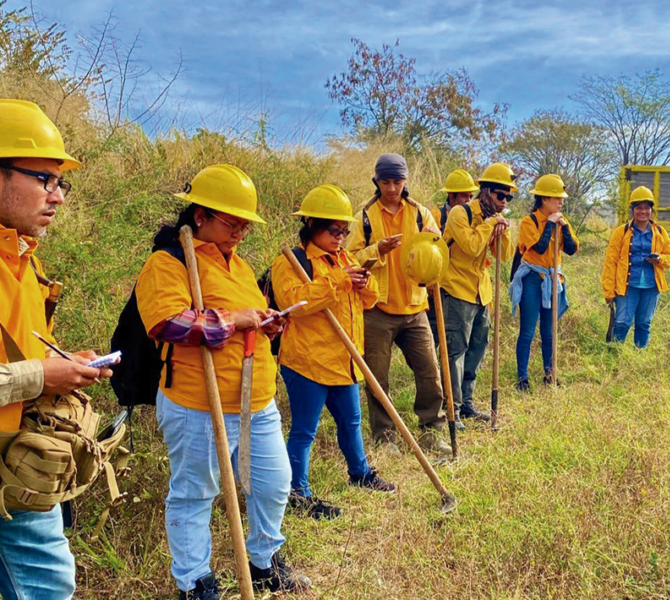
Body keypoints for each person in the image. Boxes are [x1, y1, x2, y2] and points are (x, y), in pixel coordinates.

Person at [135, 164, 309, 599]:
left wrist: (264, 323)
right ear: (200, 216)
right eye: (233, 223)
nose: (241, 232)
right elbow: (167, 322)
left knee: (274, 483)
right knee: (196, 493)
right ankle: (194, 582)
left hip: (256, 400)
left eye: (245, 225)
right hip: (197, 403)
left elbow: (246, 317)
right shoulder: (169, 261)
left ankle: (264, 559)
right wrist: (234, 320)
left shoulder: (242, 267)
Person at [0, 99, 113, 600]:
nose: (58, 196)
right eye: (44, 179)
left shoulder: (22, 259)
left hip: (15, 463)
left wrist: (62, 363)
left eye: (60, 182)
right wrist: (45, 376)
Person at [270, 184, 395, 521]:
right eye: (333, 230)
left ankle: (361, 474)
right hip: (307, 361)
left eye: (344, 230)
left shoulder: (345, 258)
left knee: (351, 421)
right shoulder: (292, 262)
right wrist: (337, 281)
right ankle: (298, 493)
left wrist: (363, 283)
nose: (340, 236)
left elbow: (371, 300)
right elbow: (292, 304)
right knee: (304, 430)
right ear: (312, 226)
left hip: (345, 358)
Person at [343, 153, 451, 456]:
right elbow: (350, 259)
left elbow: (437, 248)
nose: (392, 188)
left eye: (397, 181)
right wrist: (377, 249)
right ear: (376, 181)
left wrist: (433, 240)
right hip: (378, 309)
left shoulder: (420, 213)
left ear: (406, 182)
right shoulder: (363, 216)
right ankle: (385, 436)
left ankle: (432, 429)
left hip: (416, 307)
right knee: (378, 378)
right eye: (386, 182)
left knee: (430, 372)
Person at [439, 163, 514, 423]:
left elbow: (504, 256)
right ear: (485, 192)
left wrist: (502, 232)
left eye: (508, 197)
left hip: (482, 293)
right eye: (500, 195)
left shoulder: (493, 219)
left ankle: (467, 404)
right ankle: (452, 409)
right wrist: (489, 225)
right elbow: (471, 246)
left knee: (477, 350)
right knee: (455, 353)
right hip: (457, 289)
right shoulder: (460, 214)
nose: (504, 201)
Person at [509, 174, 579, 391]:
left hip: (552, 278)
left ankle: (550, 373)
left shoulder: (561, 220)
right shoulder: (528, 221)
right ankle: (522, 377)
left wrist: (564, 227)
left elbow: (572, 249)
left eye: (561, 199)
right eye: (557, 198)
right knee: (528, 330)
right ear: (544, 199)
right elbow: (538, 247)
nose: (561, 202)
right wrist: (549, 224)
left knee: (549, 331)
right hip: (532, 279)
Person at [600, 186, 670, 348]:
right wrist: (608, 291)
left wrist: (660, 259)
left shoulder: (659, 232)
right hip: (627, 286)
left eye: (646, 208)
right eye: (639, 208)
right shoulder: (620, 232)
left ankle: (639, 355)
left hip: (651, 286)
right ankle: (614, 357)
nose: (643, 212)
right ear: (632, 210)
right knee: (622, 323)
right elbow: (610, 263)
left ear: (651, 210)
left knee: (644, 324)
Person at [428, 169, 478, 346]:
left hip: (458, 287)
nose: (469, 201)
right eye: (465, 196)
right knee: (433, 337)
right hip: (437, 286)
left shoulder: (472, 218)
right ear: (451, 195)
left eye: (471, 196)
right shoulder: (436, 216)